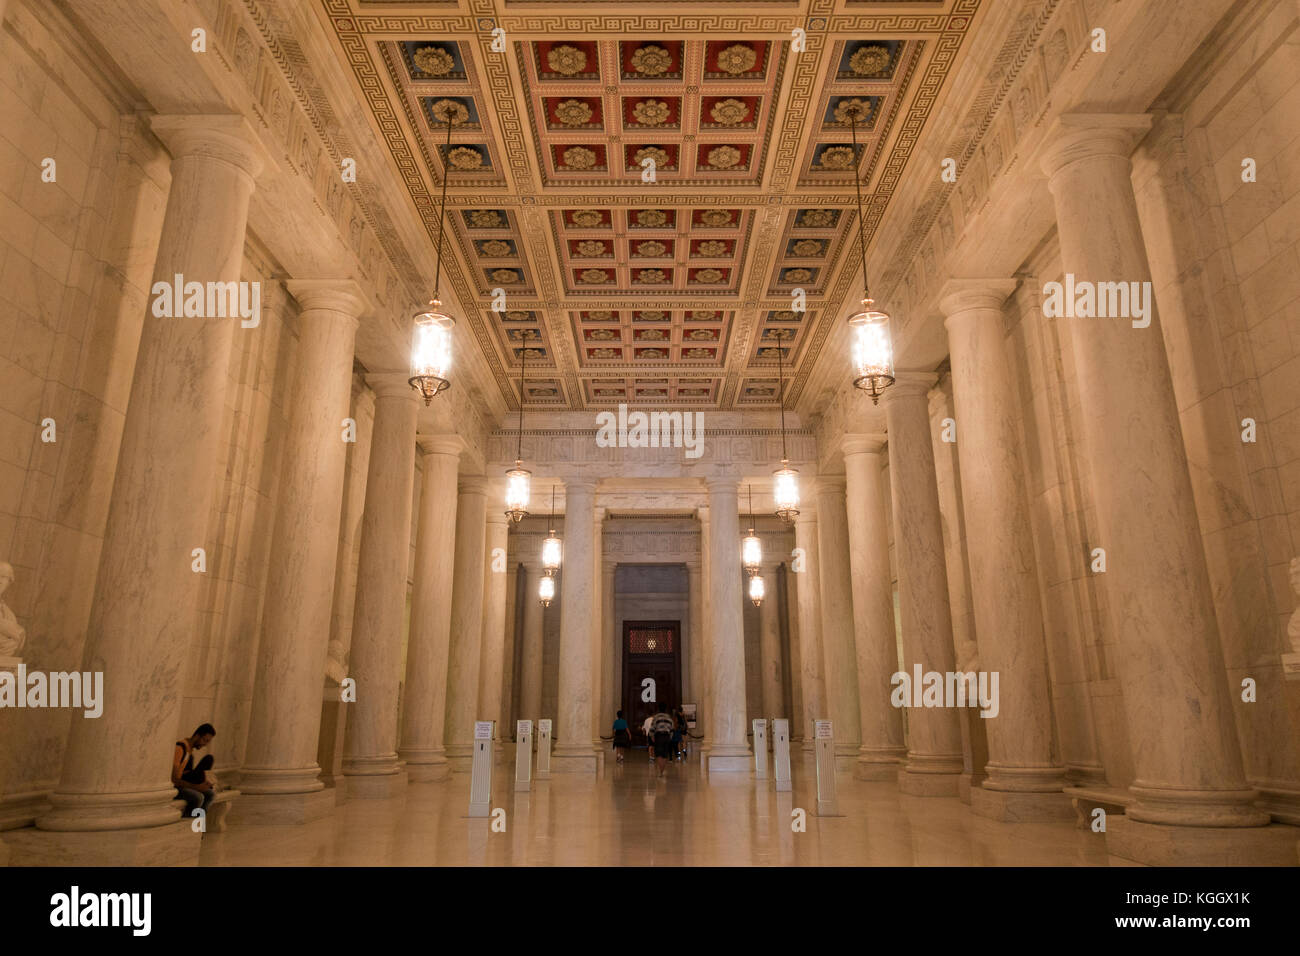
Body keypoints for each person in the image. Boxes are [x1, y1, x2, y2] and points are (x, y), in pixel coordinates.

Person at [173, 723, 217, 818]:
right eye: (205, 740)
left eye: (207, 742)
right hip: (175, 787)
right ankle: (187, 827)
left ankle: (197, 828)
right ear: (197, 736)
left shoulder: (189, 752)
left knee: (210, 794)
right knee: (197, 797)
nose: (205, 744)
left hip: (183, 782)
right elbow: (174, 780)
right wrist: (197, 787)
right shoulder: (180, 748)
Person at [649, 708, 676, 777]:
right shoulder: (669, 718)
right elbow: (672, 729)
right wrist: (670, 737)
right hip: (666, 736)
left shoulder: (656, 717)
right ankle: (662, 770)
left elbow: (652, 728)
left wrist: (652, 736)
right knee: (665, 754)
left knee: (658, 754)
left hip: (659, 736)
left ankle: (660, 771)